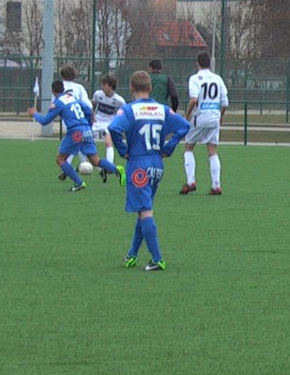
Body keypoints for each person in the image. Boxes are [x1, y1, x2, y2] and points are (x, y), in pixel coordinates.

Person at [107, 71, 191, 271]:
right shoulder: (163, 109)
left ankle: (157, 259)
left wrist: (123, 151)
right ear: (150, 88)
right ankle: (132, 255)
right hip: (156, 164)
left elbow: (114, 129)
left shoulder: (128, 110)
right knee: (143, 209)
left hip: (139, 164)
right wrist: (169, 147)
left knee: (145, 211)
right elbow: (185, 126)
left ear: (131, 88)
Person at [29, 80, 121, 192]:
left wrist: (35, 114)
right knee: (95, 160)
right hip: (86, 130)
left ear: (53, 91)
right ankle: (117, 169)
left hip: (75, 132)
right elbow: (87, 108)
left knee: (60, 159)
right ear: (63, 89)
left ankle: (79, 182)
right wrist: (89, 123)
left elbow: (45, 121)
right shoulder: (71, 97)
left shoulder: (58, 103)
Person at [180, 51, 229, 195]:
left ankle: (191, 182)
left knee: (189, 147)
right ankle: (216, 185)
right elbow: (225, 103)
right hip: (214, 118)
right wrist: (220, 116)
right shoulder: (218, 79)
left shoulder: (195, 78)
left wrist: (186, 116)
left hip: (199, 118)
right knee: (212, 151)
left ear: (198, 63)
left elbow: (194, 99)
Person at [60, 64, 93, 175]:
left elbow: (54, 103)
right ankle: (81, 163)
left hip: (66, 119)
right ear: (74, 76)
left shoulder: (59, 86)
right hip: (79, 118)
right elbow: (87, 104)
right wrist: (91, 114)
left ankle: (69, 166)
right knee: (78, 141)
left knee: (75, 141)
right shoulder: (79, 87)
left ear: (62, 75)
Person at [92, 74, 127, 163]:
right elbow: (93, 104)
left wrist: (117, 124)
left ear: (111, 86)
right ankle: (84, 162)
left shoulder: (120, 100)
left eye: (104, 84)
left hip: (109, 123)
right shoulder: (98, 94)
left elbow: (122, 114)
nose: (101, 86)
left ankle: (109, 166)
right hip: (96, 121)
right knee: (83, 139)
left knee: (108, 142)